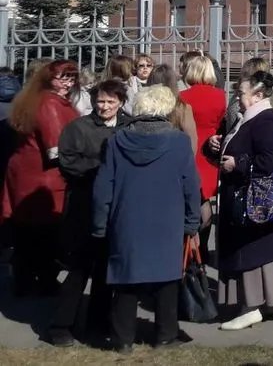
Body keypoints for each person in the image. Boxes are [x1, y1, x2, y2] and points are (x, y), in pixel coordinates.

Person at [92, 84, 200, 353]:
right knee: (166, 278)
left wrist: (100, 222)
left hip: (126, 216)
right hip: (167, 218)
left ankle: (122, 339)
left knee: (126, 278)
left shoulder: (117, 139)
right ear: (165, 108)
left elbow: (104, 184)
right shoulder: (178, 141)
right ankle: (165, 335)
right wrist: (192, 220)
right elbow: (190, 184)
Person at [210, 71, 273, 330]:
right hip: (248, 200)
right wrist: (215, 145)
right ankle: (262, 304)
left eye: (241, 93)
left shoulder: (265, 121)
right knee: (257, 251)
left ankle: (252, 306)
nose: (237, 97)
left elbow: (272, 161)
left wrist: (238, 163)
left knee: (254, 252)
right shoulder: (248, 119)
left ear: (258, 95)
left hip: (254, 203)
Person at [49, 79, 130, 346]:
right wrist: (102, 167)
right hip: (85, 206)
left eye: (110, 101)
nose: (104, 106)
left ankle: (98, 322)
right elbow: (68, 162)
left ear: (120, 102)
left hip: (116, 208)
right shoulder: (78, 128)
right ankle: (61, 325)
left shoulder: (129, 126)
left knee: (107, 270)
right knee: (79, 269)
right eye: (100, 101)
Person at [0, 60, 81, 296]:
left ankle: (25, 280)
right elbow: (56, 149)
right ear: (49, 79)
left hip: (27, 175)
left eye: (72, 77)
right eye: (62, 77)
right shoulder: (51, 104)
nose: (68, 83)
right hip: (44, 179)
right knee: (45, 234)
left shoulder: (36, 99)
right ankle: (43, 280)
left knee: (27, 233)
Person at [179, 55, 227, 261]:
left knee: (192, 198)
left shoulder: (182, 96)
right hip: (210, 149)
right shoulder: (220, 95)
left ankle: (192, 248)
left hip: (190, 147)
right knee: (205, 198)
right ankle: (204, 246)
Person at [147, 64, 197, 150]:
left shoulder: (144, 106)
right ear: (173, 82)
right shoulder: (182, 108)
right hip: (174, 157)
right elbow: (192, 141)